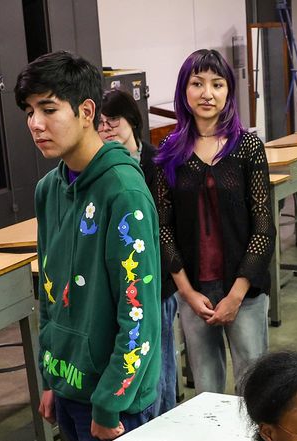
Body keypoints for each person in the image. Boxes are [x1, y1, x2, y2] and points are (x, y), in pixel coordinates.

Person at [17, 51, 175, 441]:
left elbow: (138, 310)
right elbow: (50, 292)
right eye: (29, 112)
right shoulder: (50, 188)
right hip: (74, 383)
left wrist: (111, 399)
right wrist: (52, 377)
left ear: (86, 112)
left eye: (49, 110)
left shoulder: (123, 188)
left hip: (114, 393)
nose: (36, 123)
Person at [154, 48, 275, 396]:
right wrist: (186, 292)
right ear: (184, 91)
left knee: (253, 389)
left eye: (217, 84)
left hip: (244, 291)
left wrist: (236, 295)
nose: (207, 93)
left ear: (228, 91)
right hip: (193, 294)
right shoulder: (170, 151)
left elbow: (263, 227)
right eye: (197, 83)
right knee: (206, 392)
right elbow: (163, 227)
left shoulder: (247, 147)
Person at [98, 88, 177, 415]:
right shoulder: (100, 170)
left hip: (157, 283)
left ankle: (166, 417)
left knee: (160, 362)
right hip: (121, 287)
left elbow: (168, 227)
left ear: (132, 120)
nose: (107, 128)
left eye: (113, 120)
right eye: (100, 123)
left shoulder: (156, 162)